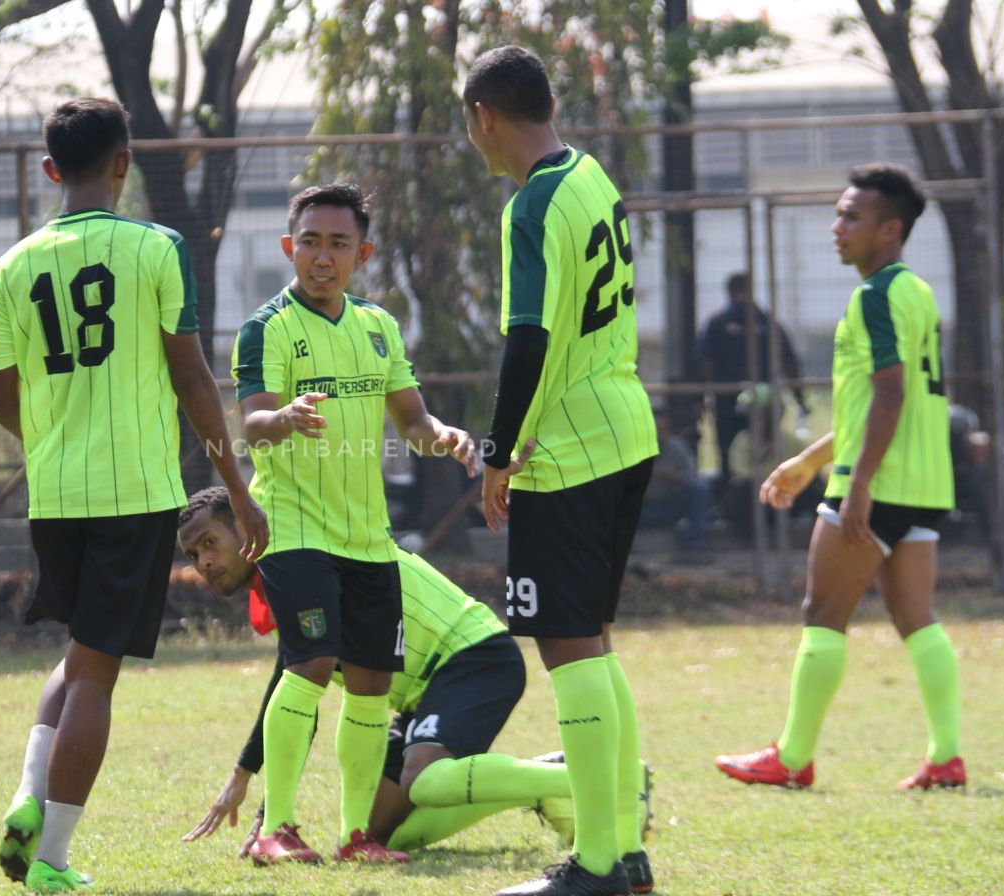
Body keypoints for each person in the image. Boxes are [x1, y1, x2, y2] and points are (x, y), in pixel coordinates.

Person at [0, 97, 268, 894]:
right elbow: (191, 376)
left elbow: (5, 402)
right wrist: (238, 493)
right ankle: (53, 862)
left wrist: (52, 441)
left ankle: (26, 797)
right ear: (124, 163)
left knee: (82, 649)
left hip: (55, 496)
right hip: (132, 494)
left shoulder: (8, 269)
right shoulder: (157, 248)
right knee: (98, 674)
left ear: (49, 171)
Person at [176, 486, 655, 876]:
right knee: (382, 834)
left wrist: (252, 791)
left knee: (424, 780)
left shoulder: (307, 557)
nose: (204, 563)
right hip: (419, 697)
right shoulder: (284, 579)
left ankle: (609, 781)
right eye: (194, 554)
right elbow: (294, 694)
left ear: (245, 522)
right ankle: (536, 782)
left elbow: (299, 687)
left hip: (473, 655)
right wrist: (266, 809)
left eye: (210, 543)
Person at [230, 183, 479, 865]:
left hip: (368, 538)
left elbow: (413, 421)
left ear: (362, 253)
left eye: (339, 243)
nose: (322, 256)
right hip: (293, 528)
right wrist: (278, 420)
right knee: (310, 661)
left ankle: (353, 835)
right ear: (290, 247)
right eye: (309, 241)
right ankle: (275, 829)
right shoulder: (267, 327)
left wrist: (445, 436)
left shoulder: (379, 327)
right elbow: (250, 420)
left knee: (370, 681)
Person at [466, 46, 659, 896]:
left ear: (484, 118)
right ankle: (623, 852)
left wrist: (498, 455)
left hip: (569, 448)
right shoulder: (591, 177)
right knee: (594, 644)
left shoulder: (532, 203)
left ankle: (595, 866)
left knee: (569, 646)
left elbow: (529, 338)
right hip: (625, 430)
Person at [714, 163, 962, 792]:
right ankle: (946, 755)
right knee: (915, 618)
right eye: (839, 212)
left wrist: (854, 484)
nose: (837, 227)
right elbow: (879, 403)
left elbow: (889, 395)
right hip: (925, 486)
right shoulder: (917, 292)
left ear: (890, 230)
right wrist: (810, 460)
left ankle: (792, 758)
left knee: (821, 613)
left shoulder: (874, 297)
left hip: (876, 485)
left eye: (853, 216)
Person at [694, 271, 807, 495]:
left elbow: (702, 363)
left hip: (728, 398)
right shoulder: (765, 320)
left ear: (728, 292)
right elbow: (789, 363)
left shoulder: (717, 321)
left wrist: (700, 398)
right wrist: (799, 399)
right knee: (764, 447)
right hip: (762, 400)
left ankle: (732, 497)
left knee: (728, 451)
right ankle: (767, 493)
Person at [639, 409, 710, 552]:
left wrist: (673, 477)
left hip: (669, 504)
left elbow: (691, 476)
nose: (659, 434)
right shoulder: (633, 449)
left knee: (700, 488)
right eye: (656, 429)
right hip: (641, 509)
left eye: (663, 429)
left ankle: (694, 542)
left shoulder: (677, 447)